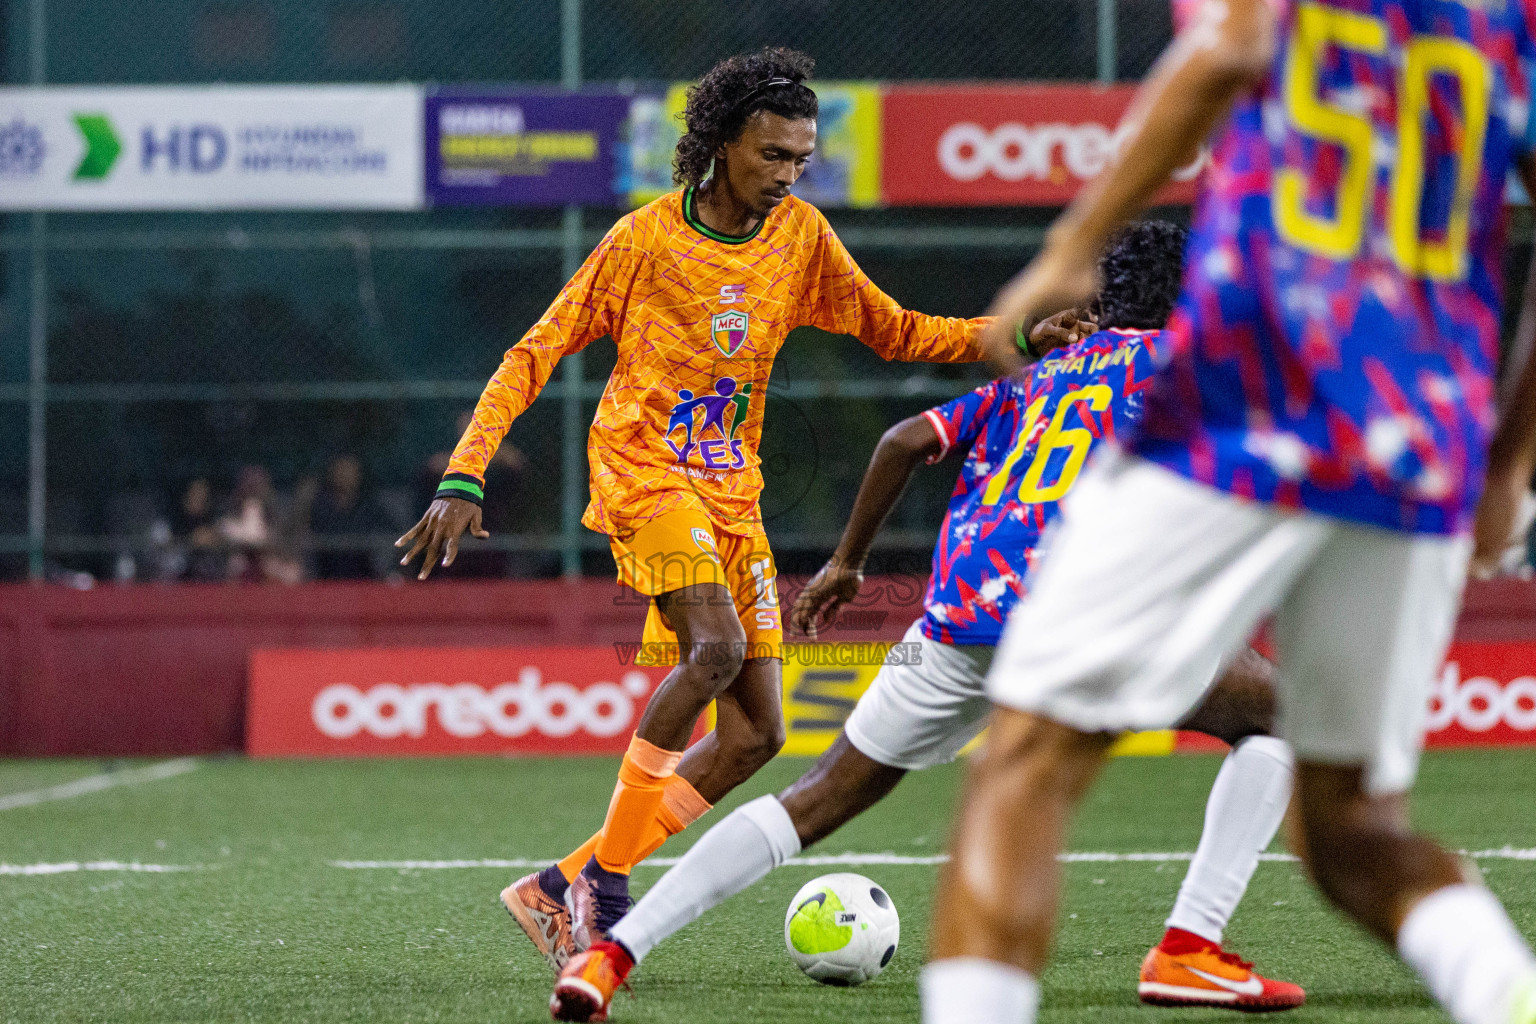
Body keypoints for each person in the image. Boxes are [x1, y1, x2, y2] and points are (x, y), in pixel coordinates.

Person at [922, 3, 1536, 1024]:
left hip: (1246, 400)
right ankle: (1505, 988)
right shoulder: (1507, 22)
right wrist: (1510, 464)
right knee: (1355, 835)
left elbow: (1232, 46)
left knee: (1027, 762)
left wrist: (1078, 239)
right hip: (1421, 431)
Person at [547, 222, 1303, 1021]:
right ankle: (1188, 947)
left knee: (818, 796)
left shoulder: (1049, 371)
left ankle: (609, 956)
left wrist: (846, 564)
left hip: (961, 619)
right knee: (1281, 718)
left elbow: (906, 438)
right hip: (1087, 617)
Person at [395, 46, 999, 976]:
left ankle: (563, 882)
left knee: (760, 733)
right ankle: (605, 894)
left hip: (732, 493)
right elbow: (533, 352)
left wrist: (1016, 337)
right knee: (713, 653)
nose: (788, 175)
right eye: (772, 156)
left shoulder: (799, 236)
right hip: (644, 475)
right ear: (720, 145)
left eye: (801, 159)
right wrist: (464, 474)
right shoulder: (641, 241)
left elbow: (899, 331)